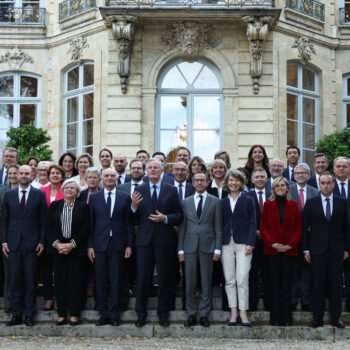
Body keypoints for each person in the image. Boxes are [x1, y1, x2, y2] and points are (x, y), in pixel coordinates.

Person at [131, 158, 183, 327]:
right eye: (150, 167)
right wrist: (133, 207)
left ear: (162, 171)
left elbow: (179, 215)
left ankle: (163, 314)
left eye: (156, 167)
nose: (152, 170)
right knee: (143, 279)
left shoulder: (171, 190)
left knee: (164, 279)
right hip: (144, 242)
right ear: (146, 171)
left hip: (164, 240)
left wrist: (165, 218)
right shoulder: (139, 189)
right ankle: (141, 314)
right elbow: (131, 218)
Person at [303, 172, 350, 328]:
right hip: (317, 251)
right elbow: (304, 229)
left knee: (336, 286)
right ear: (319, 185)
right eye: (322, 183)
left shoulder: (342, 202)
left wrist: (347, 249)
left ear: (333, 184)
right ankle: (317, 318)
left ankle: (336, 318)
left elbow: (347, 228)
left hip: (337, 251)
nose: (325, 185)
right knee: (318, 285)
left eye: (328, 183)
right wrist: (306, 249)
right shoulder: (311, 203)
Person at [2, 165, 47, 326]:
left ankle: (29, 314)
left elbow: (43, 221)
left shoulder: (39, 195)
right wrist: (4, 241)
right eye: (21, 173)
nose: (23, 175)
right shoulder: (9, 195)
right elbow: (5, 221)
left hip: (32, 244)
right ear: (16, 175)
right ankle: (16, 315)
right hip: (13, 244)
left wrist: (42, 241)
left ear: (31, 175)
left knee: (30, 281)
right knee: (15, 281)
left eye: (26, 173)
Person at [88, 168, 133, 326]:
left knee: (116, 280)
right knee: (100, 280)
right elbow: (90, 224)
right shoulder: (94, 198)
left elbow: (129, 223)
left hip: (118, 244)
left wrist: (129, 245)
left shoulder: (125, 197)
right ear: (101, 178)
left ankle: (114, 314)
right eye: (106, 176)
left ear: (116, 178)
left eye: (112, 176)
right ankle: (103, 313)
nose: (109, 178)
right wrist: (90, 246)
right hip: (99, 245)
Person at [178, 172, 222, 327]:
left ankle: (203, 314)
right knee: (189, 282)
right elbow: (182, 227)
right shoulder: (185, 202)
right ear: (193, 183)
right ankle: (191, 314)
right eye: (196, 180)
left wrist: (217, 249)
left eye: (202, 180)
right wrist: (180, 249)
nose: (199, 183)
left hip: (208, 247)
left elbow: (218, 227)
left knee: (206, 281)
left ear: (207, 182)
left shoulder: (215, 202)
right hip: (189, 247)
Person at [46, 179, 90, 326]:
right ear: (62, 191)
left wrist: (72, 244)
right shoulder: (54, 206)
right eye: (67, 188)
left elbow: (86, 228)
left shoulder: (83, 207)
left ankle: (74, 314)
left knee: (75, 282)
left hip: (76, 250)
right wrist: (57, 245)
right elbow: (48, 228)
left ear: (77, 192)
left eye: (72, 188)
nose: (69, 190)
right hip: (58, 250)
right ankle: (61, 314)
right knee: (60, 282)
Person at [260, 176, 301, 326]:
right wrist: (273, 244)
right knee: (274, 285)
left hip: (290, 251)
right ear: (274, 189)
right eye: (278, 186)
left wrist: (290, 245)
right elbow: (263, 229)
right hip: (272, 251)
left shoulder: (294, 205)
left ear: (287, 188)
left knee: (287, 285)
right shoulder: (268, 205)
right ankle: (275, 318)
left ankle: (287, 318)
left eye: (283, 185)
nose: (281, 188)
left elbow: (298, 228)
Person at [221, 169, 256, 327]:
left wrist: (251, 243)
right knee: (229, 280)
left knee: (242, 278)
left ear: (241, 183)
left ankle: (243, 311)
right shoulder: (222, 202)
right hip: (226, 243)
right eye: (231, 180)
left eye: (236, 180)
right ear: (227, 183)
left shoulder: (248, 200)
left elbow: (253, 223)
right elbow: (219, 224)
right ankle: (233, 312)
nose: (233, 183)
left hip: (244, 244)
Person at [290, 163, 319, 311]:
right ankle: (293, 299)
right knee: (293, 270)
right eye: (297, 173)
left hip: (310, 237)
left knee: (308, 269)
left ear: (309, 175)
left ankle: (306, 300)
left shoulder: (315, 191)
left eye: (303, 173)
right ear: (293, 176)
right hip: (292, 237)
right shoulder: (287, 190)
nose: (300, 176)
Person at [40, 165, 65, 311]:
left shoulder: (67, 189)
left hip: (62, 235)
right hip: (46, 234)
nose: (55, 175)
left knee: (60, 270)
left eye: (58, 173)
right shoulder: (41, 192)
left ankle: (59, 298)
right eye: (52, 173)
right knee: (46, 268)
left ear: (62, 176)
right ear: (48, 175)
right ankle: (48, 297)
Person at [247, 167, 271, 312]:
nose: (260, 179)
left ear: (267, 179)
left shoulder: (272, 194)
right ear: (252, 180)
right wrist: (254, 231)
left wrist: (267, 233)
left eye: (263, 177)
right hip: (253, 240)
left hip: (270, 241)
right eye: (257, 177)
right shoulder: (246, 196)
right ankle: (253, 303)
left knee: (268, 273)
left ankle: (269, 303)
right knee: (252, 273)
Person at [0, 164, 19, 314]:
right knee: (9, 271)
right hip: (7, 235)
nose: (13, 175)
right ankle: (8, 302)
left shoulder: (30, 192)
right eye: (10, 173)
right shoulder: (2, 191)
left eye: (16, 173)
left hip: (25, 238)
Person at [332, 157, 350, 311]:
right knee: (334, 278)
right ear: (334, 169)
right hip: (333, 241)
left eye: (345, 166)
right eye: (338, 166)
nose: (341, 169)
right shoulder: (327, 187)